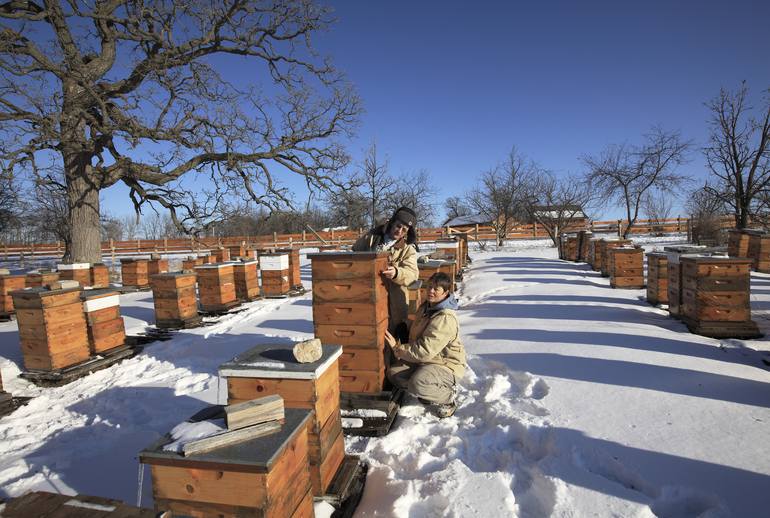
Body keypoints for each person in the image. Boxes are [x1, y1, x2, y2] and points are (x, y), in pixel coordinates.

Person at [384, 271, 466, 418]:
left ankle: (447, 397)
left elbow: (424, 351)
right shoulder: (427, 307)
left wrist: (398, 348)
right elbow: (421, 328)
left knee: (418, 383)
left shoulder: (445, 317)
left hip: (447, 365)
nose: (431, 291)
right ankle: (428, 389)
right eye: (429, 287)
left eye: (436, 289)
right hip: (428, 361)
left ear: (446, 292)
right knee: (394, 374)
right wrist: (405, 325)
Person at [352, 206, 419, 333]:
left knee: (392, 335)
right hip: (367, 294)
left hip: (394, 302)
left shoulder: (408, 249)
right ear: (392, 222)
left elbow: (412, 274)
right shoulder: (372, 237)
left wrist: (397, 273)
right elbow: (354, 253)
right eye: (398, 226)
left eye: (404, 230)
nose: (400, 231)